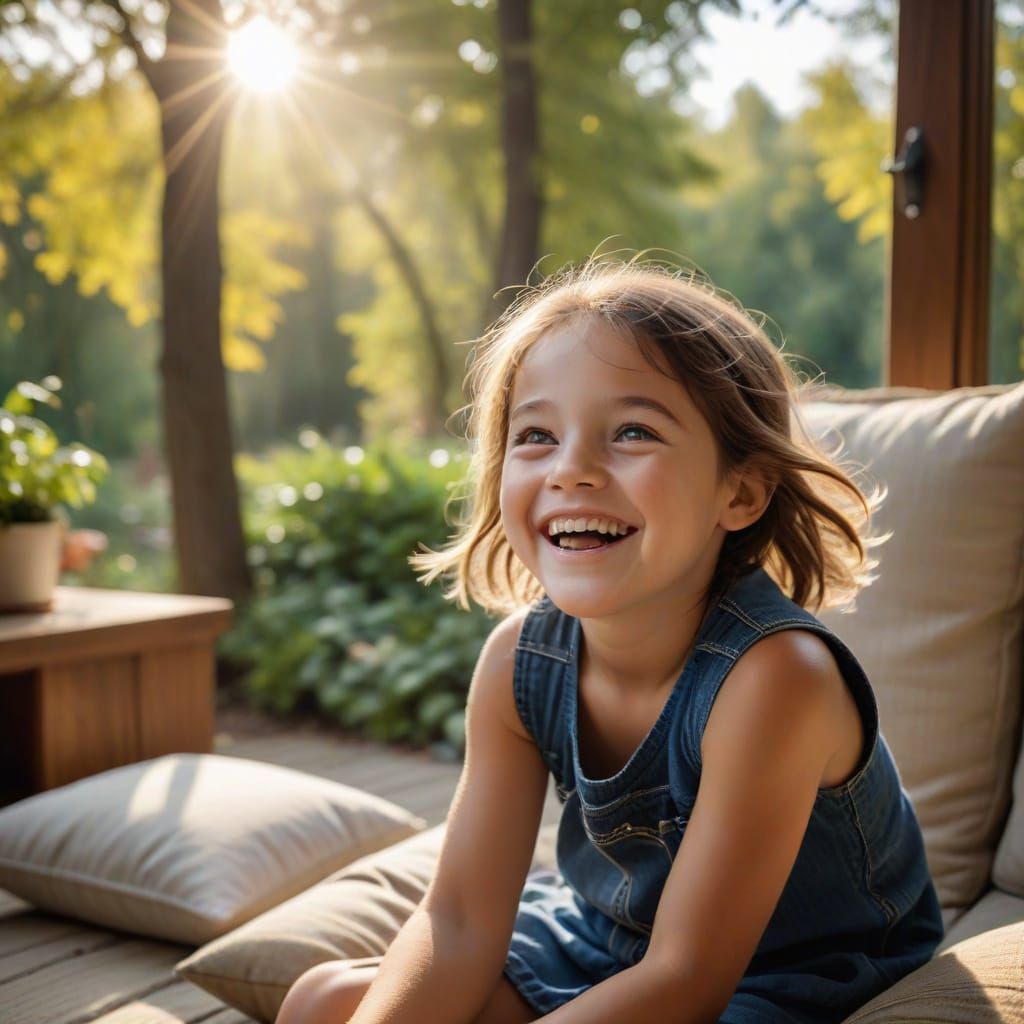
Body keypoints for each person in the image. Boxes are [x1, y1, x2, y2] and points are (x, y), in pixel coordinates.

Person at [276, 260, 944, 1024]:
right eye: (535, 435)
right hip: (608, 940)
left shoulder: (776, 678)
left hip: (788, 979)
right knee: (325, 1002)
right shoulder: (517, 666)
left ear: (741, 491)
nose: (572, 471)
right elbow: (458, 920)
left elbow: (686, 980)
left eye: (632, 431)